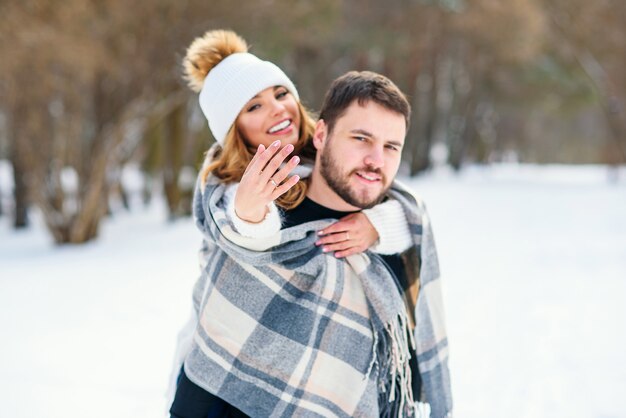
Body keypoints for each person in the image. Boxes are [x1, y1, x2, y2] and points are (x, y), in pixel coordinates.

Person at [167, 30, 424, 417]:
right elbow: (239, 229)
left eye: (280, 94)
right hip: (233, 352)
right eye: (254, 107)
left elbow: (408, 209)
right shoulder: (227, 183)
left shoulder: (329, 159)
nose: (277, 110)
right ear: (233, 128)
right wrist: (250, 210)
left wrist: (376, 225)